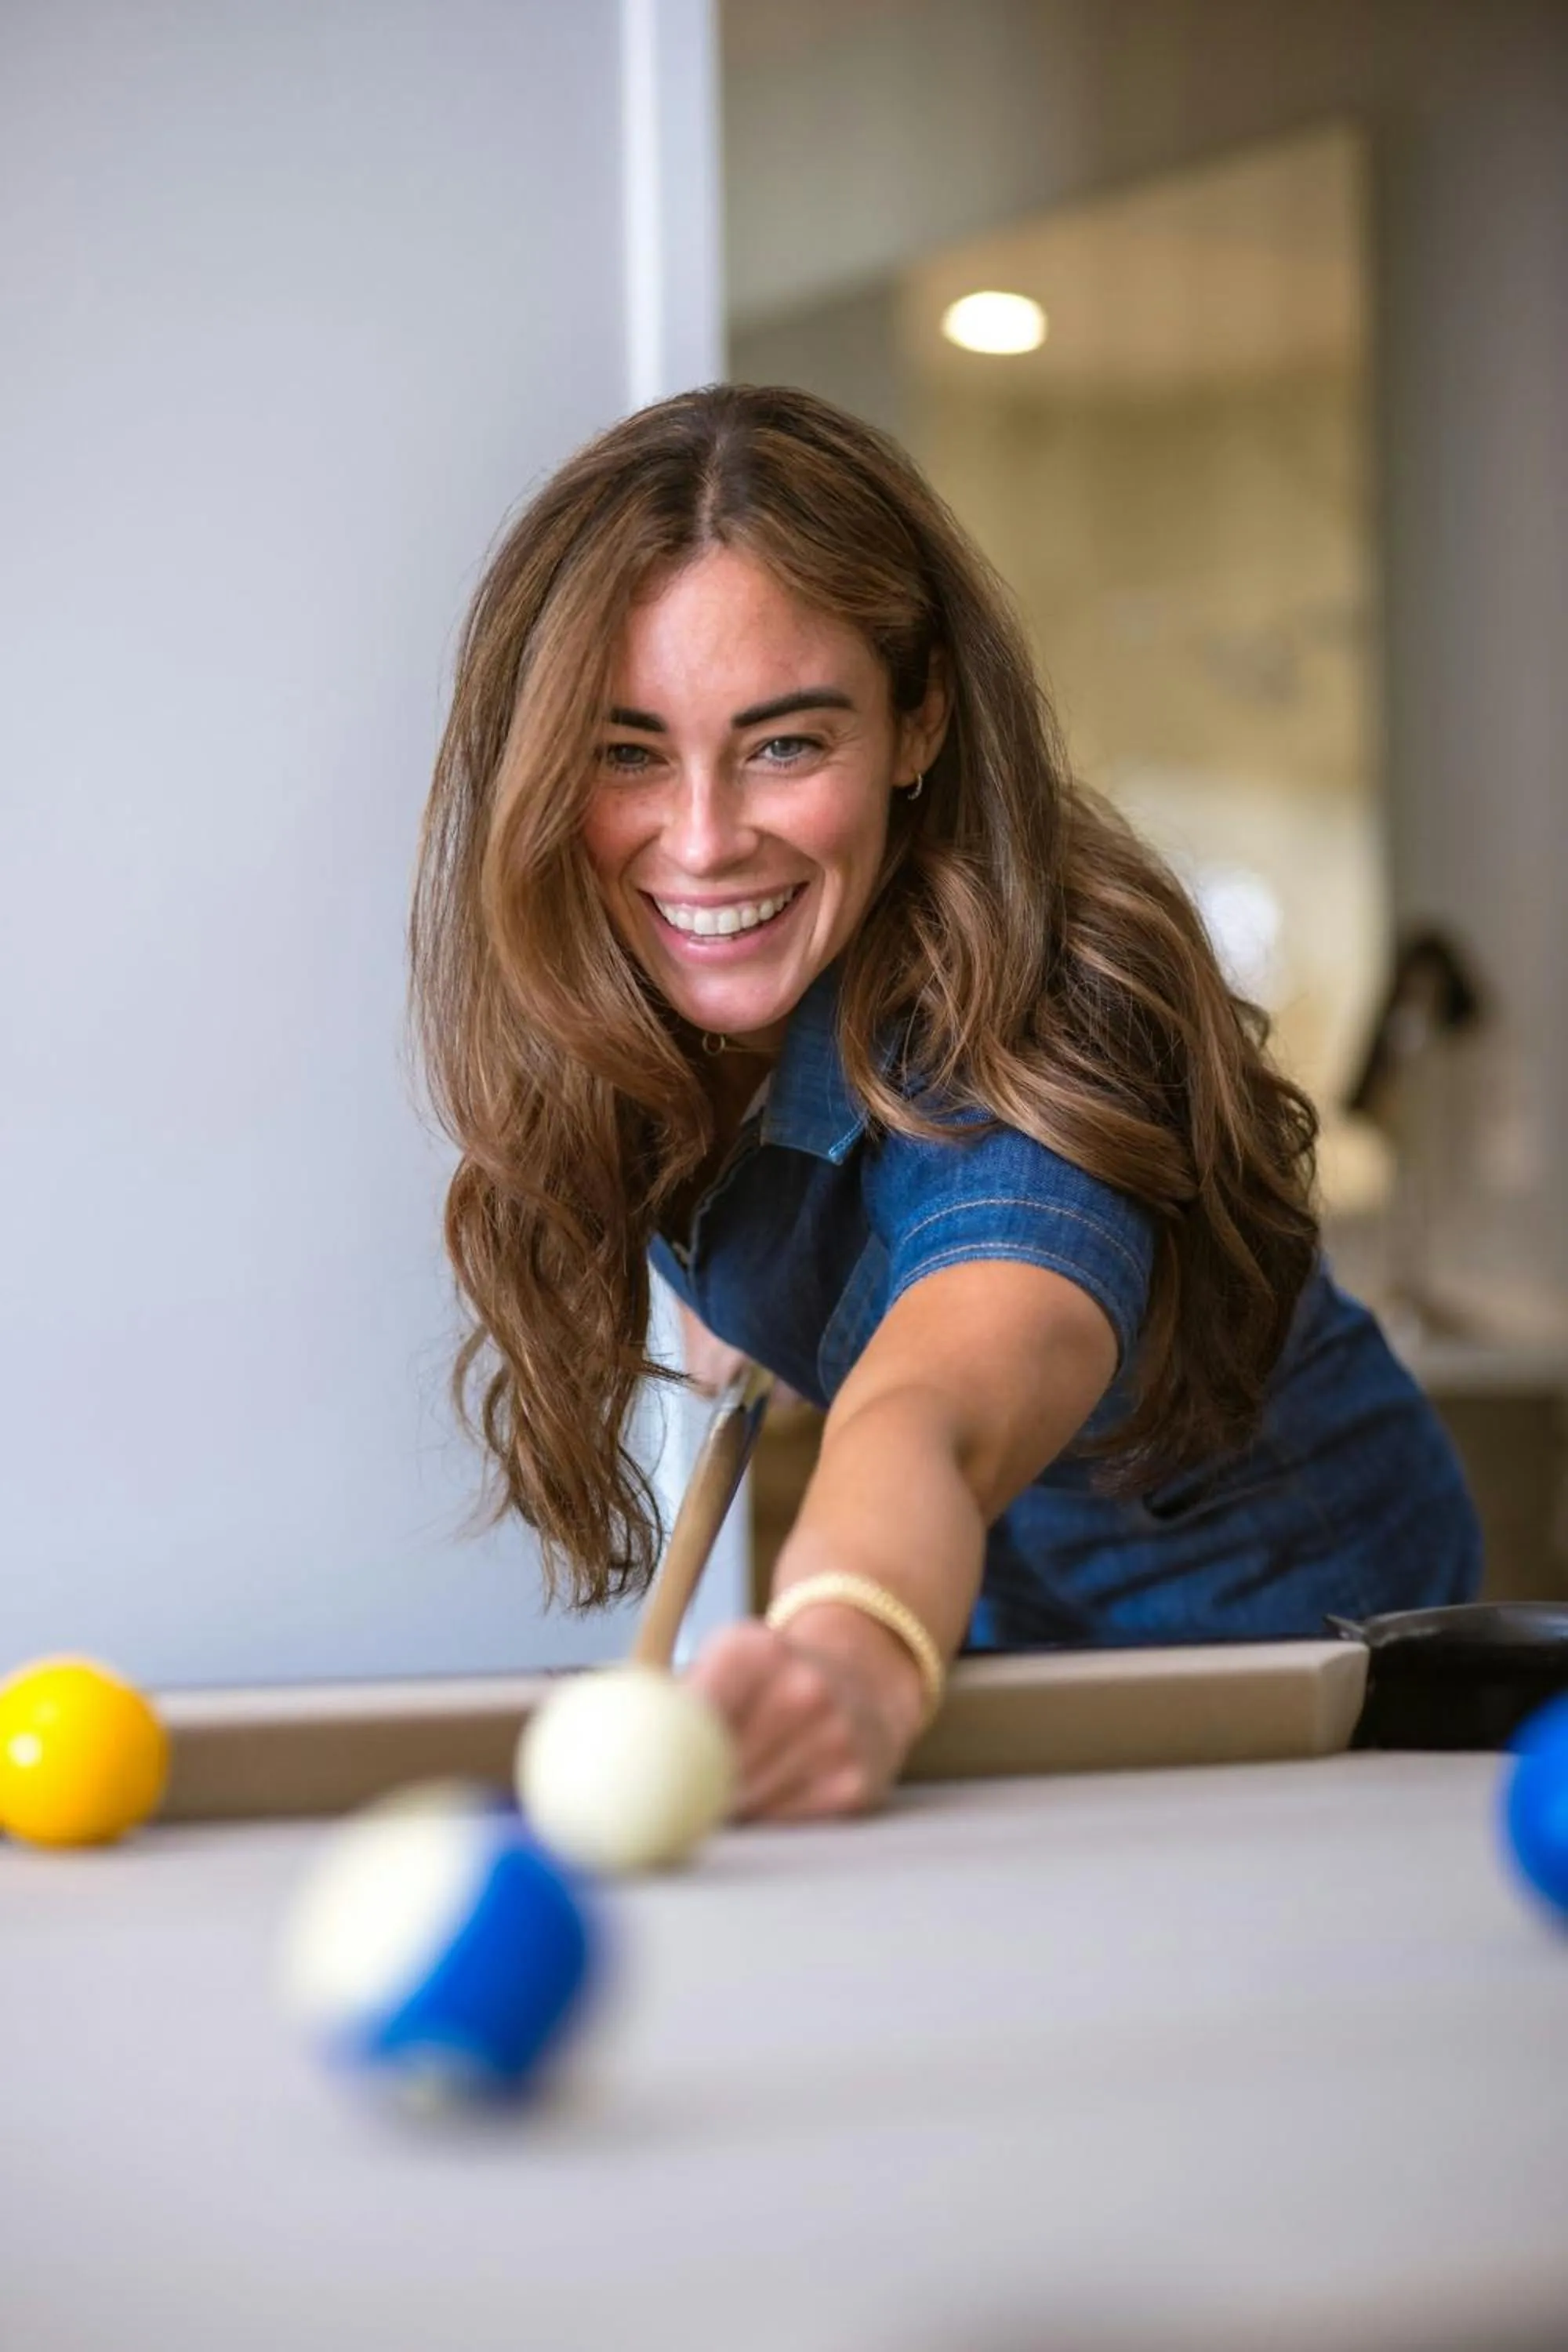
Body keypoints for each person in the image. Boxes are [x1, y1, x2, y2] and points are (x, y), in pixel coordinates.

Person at [408, 383, 1481, 1824]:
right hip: (1001, 1634)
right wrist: (758, 1283)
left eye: (787, 744)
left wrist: (846, 1645)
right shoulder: (642, 995)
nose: (704, 841)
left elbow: (936, 1410)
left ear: (918, 723)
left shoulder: (1043, 1029)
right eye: (628, 753)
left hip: (1297, 1656)